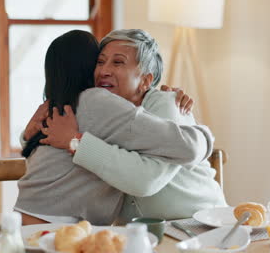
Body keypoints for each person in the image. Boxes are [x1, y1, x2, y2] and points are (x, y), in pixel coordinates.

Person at [14, 29, 218, 225]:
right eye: (100, 62)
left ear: (146, 80)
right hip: (140, 232)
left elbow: (146, 180)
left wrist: (74, 142)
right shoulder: (100, 107)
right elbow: (54, 153)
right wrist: (30, 134)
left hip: (197, 223)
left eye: (118, 62)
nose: (104, 71)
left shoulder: (163, 105)